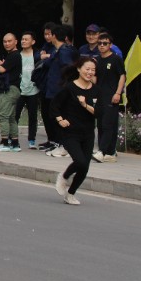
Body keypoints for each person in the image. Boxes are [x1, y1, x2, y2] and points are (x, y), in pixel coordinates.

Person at [50, 57, 100, 205]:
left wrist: (85, 105)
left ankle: (70, 194)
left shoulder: (96, 90)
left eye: (93, 70)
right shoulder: (69, 88)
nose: (90, 72)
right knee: (80, 162)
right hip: (70, 132)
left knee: (85, 167)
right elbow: (54, 105)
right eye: (87, 69)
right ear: (79, 69)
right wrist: (60, 119)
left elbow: (99, 113)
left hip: (88, 133)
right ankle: (64, 176)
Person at [40, 23, 77, 157]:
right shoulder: (58, 51)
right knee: (55, 117)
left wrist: (65, 87)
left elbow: (69, 69)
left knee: (61, 117)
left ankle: (65, 146)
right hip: (53, 90)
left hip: (60, 91)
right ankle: (60, 144)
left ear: (54, 36)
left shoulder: (65, 51)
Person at [94, 32, 126, 162]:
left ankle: (102, 151)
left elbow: (122, 76)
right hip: (99, 96)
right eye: (99, 43)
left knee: (108, 123)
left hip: (112, 95)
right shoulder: (97, 60)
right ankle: (110, 152)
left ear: (110, 45)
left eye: (105, 43)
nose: (102, 45)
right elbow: (95, 78)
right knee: (101, 124)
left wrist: (118, 93)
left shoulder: (115, 59)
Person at [0, 32, 23, 152]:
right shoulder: (14, 55)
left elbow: (1, 70)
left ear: (16, 42)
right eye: (5, 41)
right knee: (11, 118)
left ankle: (4, 143)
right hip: (15, 89)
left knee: (3, 116)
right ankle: (15, 144)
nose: (7, 43)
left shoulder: (14, 55)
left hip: (8, 89)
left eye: (9, 41)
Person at [15, 32, 42, 149]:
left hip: (33, 90)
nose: (23, 41)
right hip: (19, 90)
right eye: (22, 39)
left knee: (33, 116)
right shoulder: (17, 55)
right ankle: (12, 138)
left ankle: (32, 140)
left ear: (33, 42)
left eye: (26, 39)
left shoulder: (37, 55)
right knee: (15, 115)